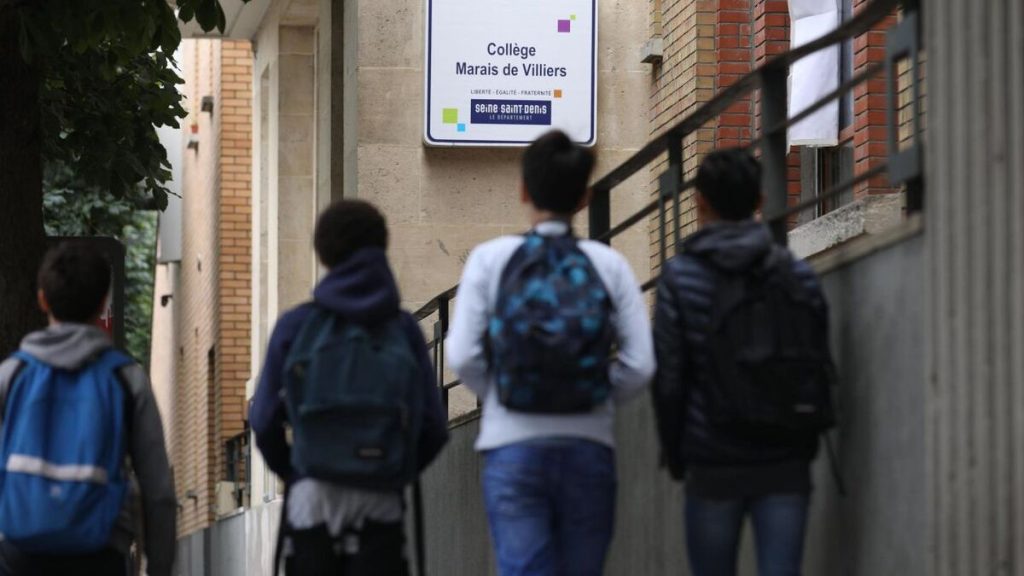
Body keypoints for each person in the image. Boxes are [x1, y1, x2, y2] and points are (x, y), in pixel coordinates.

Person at [446, 130, 656, 576]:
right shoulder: (608, 264)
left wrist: (504, 392)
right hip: (587, 442)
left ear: (523, 189)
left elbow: (462, 355)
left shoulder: (490, 259)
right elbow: (641, 364)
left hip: (513, 444)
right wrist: (594, 394)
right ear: (584, 196)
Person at [651, 148, 835, 576]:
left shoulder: (681, 278)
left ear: (699, 203)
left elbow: (670, 376)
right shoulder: (795, 272)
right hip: (785, 456)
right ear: (760, 202)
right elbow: (816, 358)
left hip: (712, 458)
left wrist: (677, 451)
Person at [250, 199, 449, 576]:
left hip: (312, 501)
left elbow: (262, 421)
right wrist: (394, 470)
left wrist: (295, 471)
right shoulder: (402, 329)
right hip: (381, 502)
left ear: (323, 253)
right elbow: (434, 427)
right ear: (382, 246)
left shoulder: (296, 326)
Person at [0, 242, 176, 576]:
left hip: (19, 554)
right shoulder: (127, 379)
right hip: (101, 552)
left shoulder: (11, 375)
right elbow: (158, 490)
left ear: (42, 299)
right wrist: (160, 566)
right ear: (102, 303)